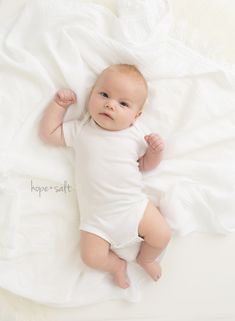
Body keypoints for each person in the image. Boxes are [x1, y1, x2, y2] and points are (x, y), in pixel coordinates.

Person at [39, 64, 171, 289]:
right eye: (104, 95)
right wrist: (59, 106)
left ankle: (146, 258)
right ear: (91, 95)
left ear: (136, 116)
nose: (110, 104)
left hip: (132, 207)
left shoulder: (135, 135)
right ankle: (117, 266)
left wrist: (155, 152)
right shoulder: (81, 130)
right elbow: (49, 134)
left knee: (162, 235)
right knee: (91, 258)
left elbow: (145, 166)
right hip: (97, 221)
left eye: (123, 104)